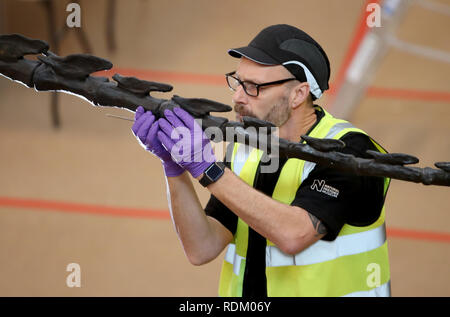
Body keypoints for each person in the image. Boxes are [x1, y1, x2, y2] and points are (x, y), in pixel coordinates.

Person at [132, 24, 391, 297]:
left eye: (253, 87)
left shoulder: (349, 150)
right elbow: (201, 248)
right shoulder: (248, 146)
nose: (237, 97)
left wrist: (208, 169)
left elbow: (294, 235)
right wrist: (175, 168)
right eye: (238, 81)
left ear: (299, 94)